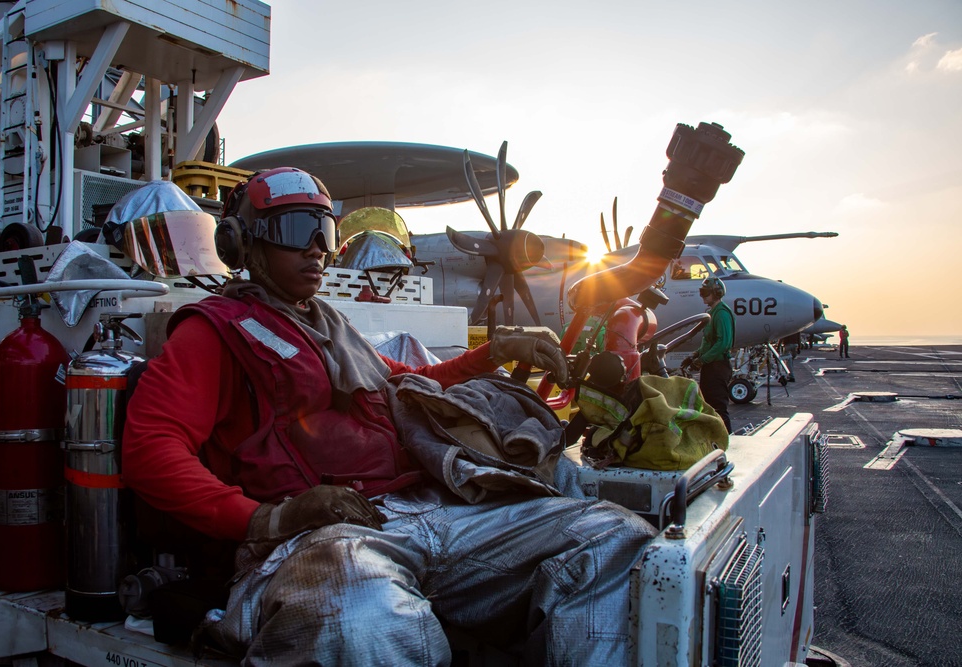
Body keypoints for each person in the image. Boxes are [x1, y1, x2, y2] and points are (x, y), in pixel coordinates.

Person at [122, 167, 656, 665]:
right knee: (357, 610)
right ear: (242, 242)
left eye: (324, 232)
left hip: (430, 511)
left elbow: (404, 381)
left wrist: (496, 351)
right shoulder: (215, 331)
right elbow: (150, 450)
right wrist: (270, 518)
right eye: (294, 229)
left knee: (610, 535)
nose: (315, 248)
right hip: (323, 539)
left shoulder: (329, 326)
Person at [684, 275, 735, 433]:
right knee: (710, 407)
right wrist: (694, 355)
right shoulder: (713, 312)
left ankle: (728, 441)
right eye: (702, 292)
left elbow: (722, 344)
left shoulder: (721, 314)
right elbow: (709, 342)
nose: (703, 296)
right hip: (711, 367)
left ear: (716, 293)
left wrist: (701, 360)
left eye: (706, 293)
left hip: (717, 367)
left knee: (718, 408)